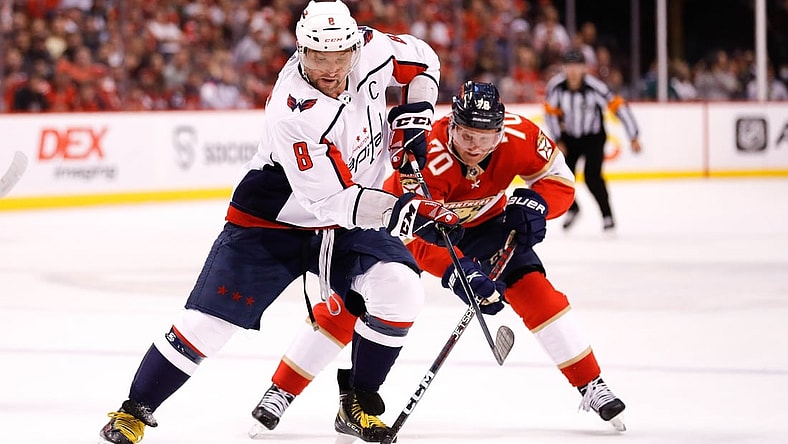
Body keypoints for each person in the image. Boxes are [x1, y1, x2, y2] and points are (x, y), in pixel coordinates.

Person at [97, 1, 460, 443]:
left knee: (400, 289)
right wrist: (409, 214)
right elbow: (330, 200)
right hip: (274, 220)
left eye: (339, 57)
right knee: (207, 324)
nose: (330, 69)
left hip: (348, 219)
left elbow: (424, 61)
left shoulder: (373, 48)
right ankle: (133, 411)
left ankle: (358, 404)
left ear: (355, 47)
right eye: (318, 57)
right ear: (301, 51)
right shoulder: (294, 110)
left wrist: (414, 121)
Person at [248, 81, 628, 438]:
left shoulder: (520, 135)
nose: (475, 147)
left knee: (536, 292)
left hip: (486, 224)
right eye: (466, 136)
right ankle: (281, 390)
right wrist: (457, 272)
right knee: (350, 305)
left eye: (484, 138)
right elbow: (413, 235)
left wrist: (538, 204)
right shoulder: (424, 155)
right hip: (407, 228)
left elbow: (559, 179)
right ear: (451, 127)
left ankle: (591, 384)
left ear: (500, 132)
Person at [543, 49, 642, 232]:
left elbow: (618, 106)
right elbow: (550, 114)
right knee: (561, 177)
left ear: (584, 68)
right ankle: (573, 208)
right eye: (569, 66)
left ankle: (607, 216)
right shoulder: (556, 87)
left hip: (593, 138)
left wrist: (633, 135)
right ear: (564, 68)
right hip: (569, 138)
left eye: (577, 66)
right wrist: (558, 139)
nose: (573, 71)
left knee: (593, 177)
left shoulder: (595, 87)